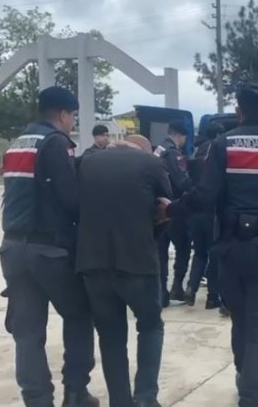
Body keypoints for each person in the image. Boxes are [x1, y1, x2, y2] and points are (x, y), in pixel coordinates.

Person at [160, 84, 258, 407]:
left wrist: (171, 209)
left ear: (238, 112)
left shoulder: (222, 145)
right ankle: (250, 395)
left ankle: (245, 376)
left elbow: (203, 196)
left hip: (231, 251)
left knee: (241, 322)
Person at [0, 86, 98, 407]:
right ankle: (75, 393)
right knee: (79, 315)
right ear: (64, 113)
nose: (73, 122)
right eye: (73, 116)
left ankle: (37, 400)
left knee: (27, 333)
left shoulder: (18, 143)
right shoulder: (55, 143)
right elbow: (71, 200)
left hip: (12, 249)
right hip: (49, 251)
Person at [76, 135, 171, 407]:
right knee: (150, 326)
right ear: (144, 150)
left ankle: (120, 401)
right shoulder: (151, 163)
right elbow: (167, 207)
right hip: (138, 261)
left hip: (93, 263)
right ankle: (145, 398)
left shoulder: (85, 163)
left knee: (110, 336)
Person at [185, 120, 228, 313]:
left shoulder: (196, 152)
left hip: (195, 211)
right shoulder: (217, 152)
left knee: (200, 253)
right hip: (213, 212)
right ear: (219, 135)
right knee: (215, 253)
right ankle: (212, 297)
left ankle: (191, 287)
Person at [154, 121, 193, 307]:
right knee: (183, 247)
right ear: (180, 135)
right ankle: (177, 286)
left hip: (157, 208)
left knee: (160, 252)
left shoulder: (158, 150)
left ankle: (161, 292)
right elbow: (181, 182)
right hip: (175, 208)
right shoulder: (174, 154)